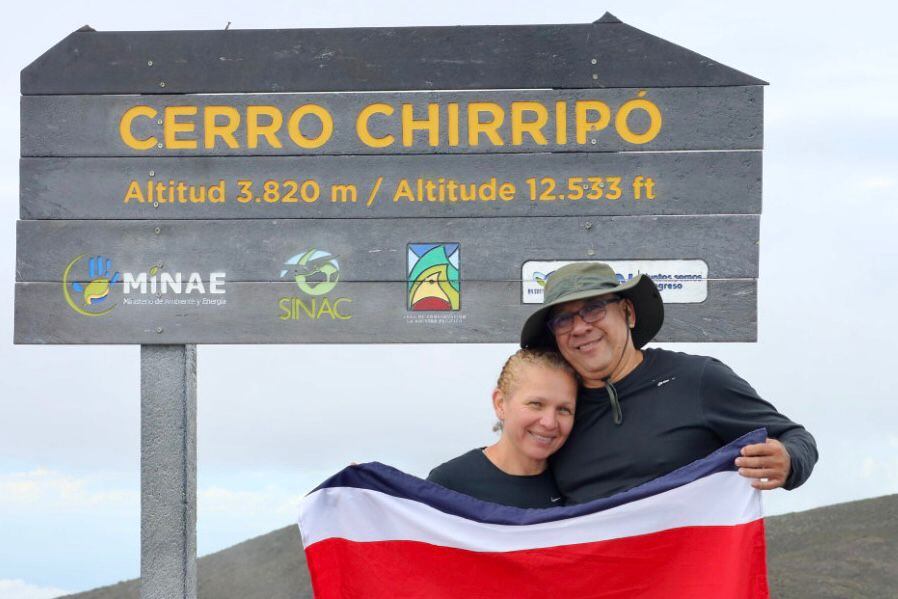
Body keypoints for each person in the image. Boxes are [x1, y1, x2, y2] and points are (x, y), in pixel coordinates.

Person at [520, 262, 818, 504]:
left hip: (692, 576)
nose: (581, 327)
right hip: (594, 576)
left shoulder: (698, 378)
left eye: (594, 308)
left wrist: (790, 460)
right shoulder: (556, 414)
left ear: (628, 313)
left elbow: (796, 439)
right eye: (563, 320)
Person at [427, 349, 577, 508]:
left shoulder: (578, 485)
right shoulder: (449, 484)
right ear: (500, 403)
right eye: (536, 404)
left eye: (563, 410)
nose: (550, 423)